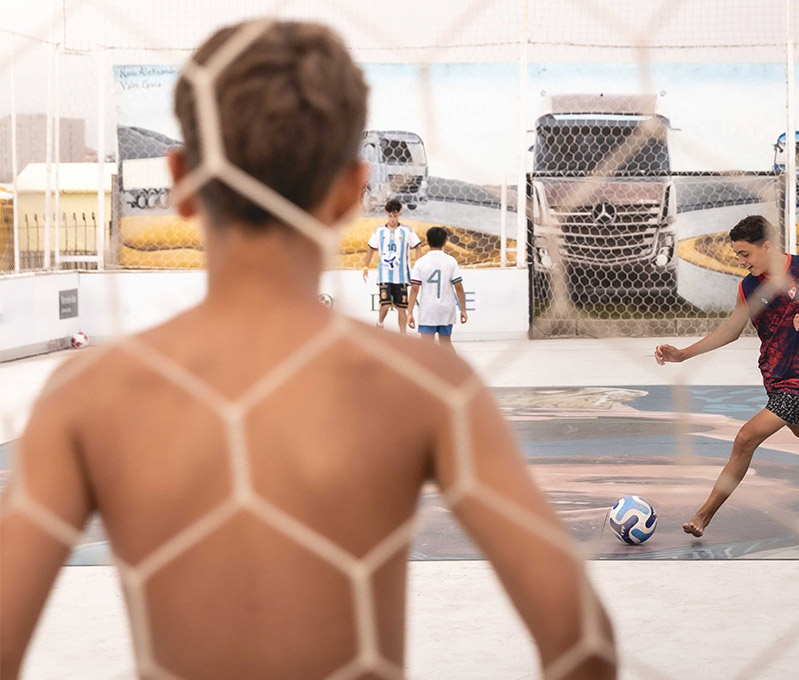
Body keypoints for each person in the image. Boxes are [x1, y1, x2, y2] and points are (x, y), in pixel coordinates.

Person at [0, 21, 615, 679]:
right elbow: (579, 639)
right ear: (352, 190)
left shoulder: (91, 393)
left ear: (179, 178)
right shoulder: (425, 385)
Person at [654, 215, 799, 538]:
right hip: (775, 376)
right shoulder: (748, 286)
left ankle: (703, 515)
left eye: (745, 254)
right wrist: (683, 354)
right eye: (737, 255)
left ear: (766, 246)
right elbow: (730, 331)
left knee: (745, 439)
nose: (740, 261)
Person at [362, 198, 424, 334]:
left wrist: (419, 266)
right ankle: (380, 323)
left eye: (395, 216)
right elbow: (371, 248)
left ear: (399, 214)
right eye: (390, 216)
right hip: (384, 275)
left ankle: (403, 335)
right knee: (384, 304)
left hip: (401, 277)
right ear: (386, 214)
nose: (392, 219)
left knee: (402, 308)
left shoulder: (407, 230)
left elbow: (418, 246)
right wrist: (365, 267)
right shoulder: (379, 231)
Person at [407, 227, 467, 349]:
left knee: (426, 346)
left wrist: (409, 312)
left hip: (428, 310)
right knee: (446, 343)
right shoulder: (451, 261)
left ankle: (426, 368)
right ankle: (452, 367)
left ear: (427, 242)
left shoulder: (420, 262)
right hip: (446, 309)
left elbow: (414, 288)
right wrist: (463, 309)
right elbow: (459, 287)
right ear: (445, 242)